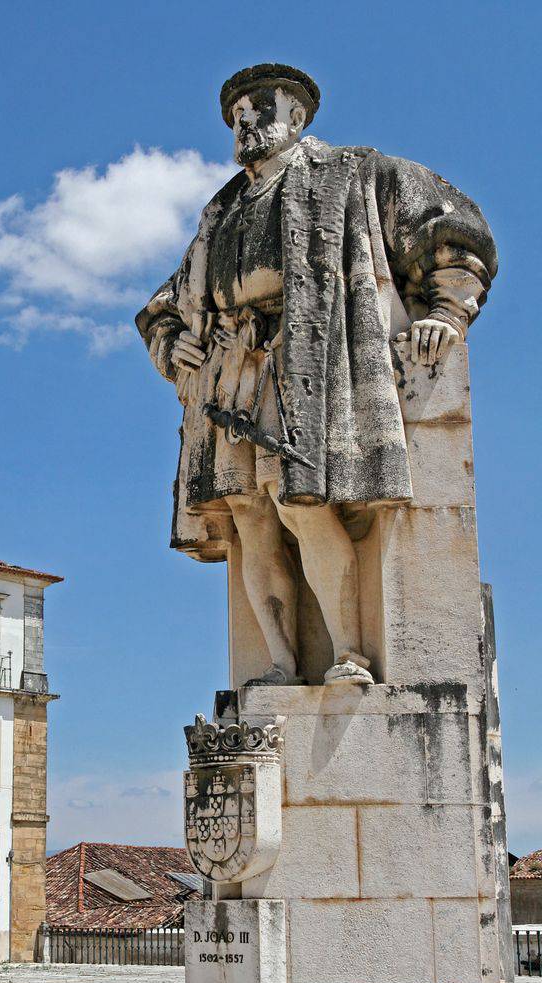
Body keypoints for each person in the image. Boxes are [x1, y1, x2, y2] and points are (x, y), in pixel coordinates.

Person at [136, 63, 497, 685]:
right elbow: (162, 307)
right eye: (236, 116)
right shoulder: (220, 213)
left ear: (297, 117)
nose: (245, 123)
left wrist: (446, 310)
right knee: (250, 518)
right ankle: (281, 663)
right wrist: (173, 345)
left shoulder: (354, 173)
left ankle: (350, 653)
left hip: (311, 359)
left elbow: (450, 230)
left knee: (301, 506)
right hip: (231, 372)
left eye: (259, 109)